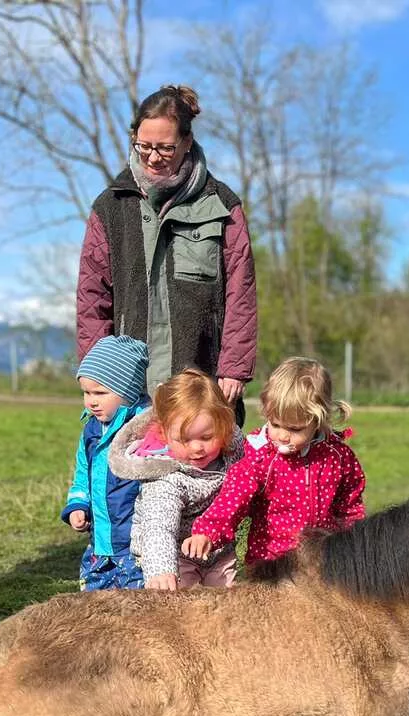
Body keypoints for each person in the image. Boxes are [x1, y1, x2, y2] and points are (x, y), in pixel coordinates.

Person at [76, 84, 257, 422]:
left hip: (200, 379)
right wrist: (96, 373)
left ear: (187, 143)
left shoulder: (223, 205)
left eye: (165, 147)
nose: (153, 157)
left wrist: (234, 366)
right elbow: (92, 296)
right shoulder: (110, 207)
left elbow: (241, 294)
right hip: (129, 383)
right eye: (143, 146)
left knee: (201, 469)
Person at [183, 357, 365, 568]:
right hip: (270, 564)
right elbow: (233, 498)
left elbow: (350, 507)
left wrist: (355, 547)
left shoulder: (337, 456)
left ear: (318, 420)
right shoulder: (260, 455)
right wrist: (208, 532)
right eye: (276, 424)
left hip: (323, 562)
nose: (283, 436)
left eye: (295, 429)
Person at [108, 369, 245, 590]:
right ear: (164, 434)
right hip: (176, 556)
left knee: (224, 607)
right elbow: (159, 528)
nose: (197, 447)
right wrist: (162, 570)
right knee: (184, 606)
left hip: (219, 552)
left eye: (207, 437)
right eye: (184, 439)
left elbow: (255, 466)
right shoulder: (165, 479)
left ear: (224, 427)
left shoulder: (231, 449)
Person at [61, 335, 151, 591]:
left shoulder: (145, 430)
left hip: (135, 546)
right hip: (100, 543)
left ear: (128, 390)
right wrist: (78, 504)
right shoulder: (91, 430)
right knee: (94, 610)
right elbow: (82, 473)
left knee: (138, 610)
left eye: (100, 392)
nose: (91, 401)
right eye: (86, 393)